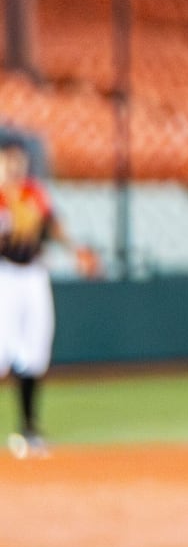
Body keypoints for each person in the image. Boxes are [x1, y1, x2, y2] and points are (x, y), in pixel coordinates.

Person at [2, 139, 100, 458]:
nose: (15, 166)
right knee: (2, 348)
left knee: (35, 349)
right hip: (4, 274)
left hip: (33, 273)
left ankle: (29, 430)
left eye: (19, 161)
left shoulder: (34, 193)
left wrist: (76, 251)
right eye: (9, 161)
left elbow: (53, 225)